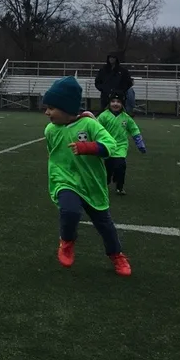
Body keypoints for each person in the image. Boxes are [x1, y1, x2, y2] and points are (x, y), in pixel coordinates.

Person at [42, 76, 131, 276]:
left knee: (105, 225)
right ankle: (67, 241)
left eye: (51, 108)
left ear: (66, 108)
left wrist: (88, 147)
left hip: (92, 183)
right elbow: (53, 154)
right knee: (70, 211)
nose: (47, 112)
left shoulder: (90, 125)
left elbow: (110, 146)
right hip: (64, 180)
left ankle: (116, 255)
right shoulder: (50, 130)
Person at [97, 92, 147, 196]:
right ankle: (105, 183)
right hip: (107, 145)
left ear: (122, 104)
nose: (115, 104)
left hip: (121, 146)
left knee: (120, 165)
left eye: (118, 102)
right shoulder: (103, 116)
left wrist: (140, 144)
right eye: (113, 101)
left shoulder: (126, 118)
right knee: (108, 168)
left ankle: (119, 187)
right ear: (109, 103)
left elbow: (134, 130)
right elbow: (95, 129)